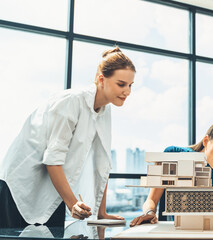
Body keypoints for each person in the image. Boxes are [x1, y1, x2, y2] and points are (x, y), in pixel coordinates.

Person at [0, 47, 136, 228]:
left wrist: (101, 212)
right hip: (20, 187)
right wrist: (72, 203)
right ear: (102, 80)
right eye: (121, 84)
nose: (127, 91)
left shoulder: (105, 109)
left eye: (130, 85)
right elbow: (53, 159)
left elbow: (102, 162)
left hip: (52, 191)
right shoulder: (71, 101)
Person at [130, 118, 213, 226]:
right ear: (206, 141)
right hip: (172, 232)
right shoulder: (173, 154)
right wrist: (149, 213)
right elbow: (151, 200)